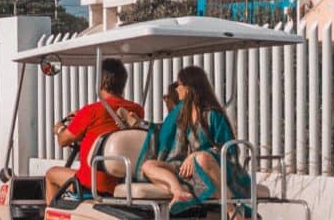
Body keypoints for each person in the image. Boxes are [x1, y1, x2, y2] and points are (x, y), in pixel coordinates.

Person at [43, 57, 144, 205]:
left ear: (100, 82)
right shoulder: (136, 110)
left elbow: (63, 140)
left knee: (51, 175)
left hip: (92, 182)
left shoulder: (91, 111)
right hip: (121, 180)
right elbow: (108, 125)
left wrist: (59, 128)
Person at [136, 65, 244, 202]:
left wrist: (195, 156)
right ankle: (179, 191)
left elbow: (228, 149)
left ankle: (229, 210)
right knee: (148, 165)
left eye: (179, 85)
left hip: (205, 167)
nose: (176, 89)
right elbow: (161, 130)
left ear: (188, 88)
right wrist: (139, 123)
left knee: (203, 158)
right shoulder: (181, 112)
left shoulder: (213, 115)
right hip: (182, 166)